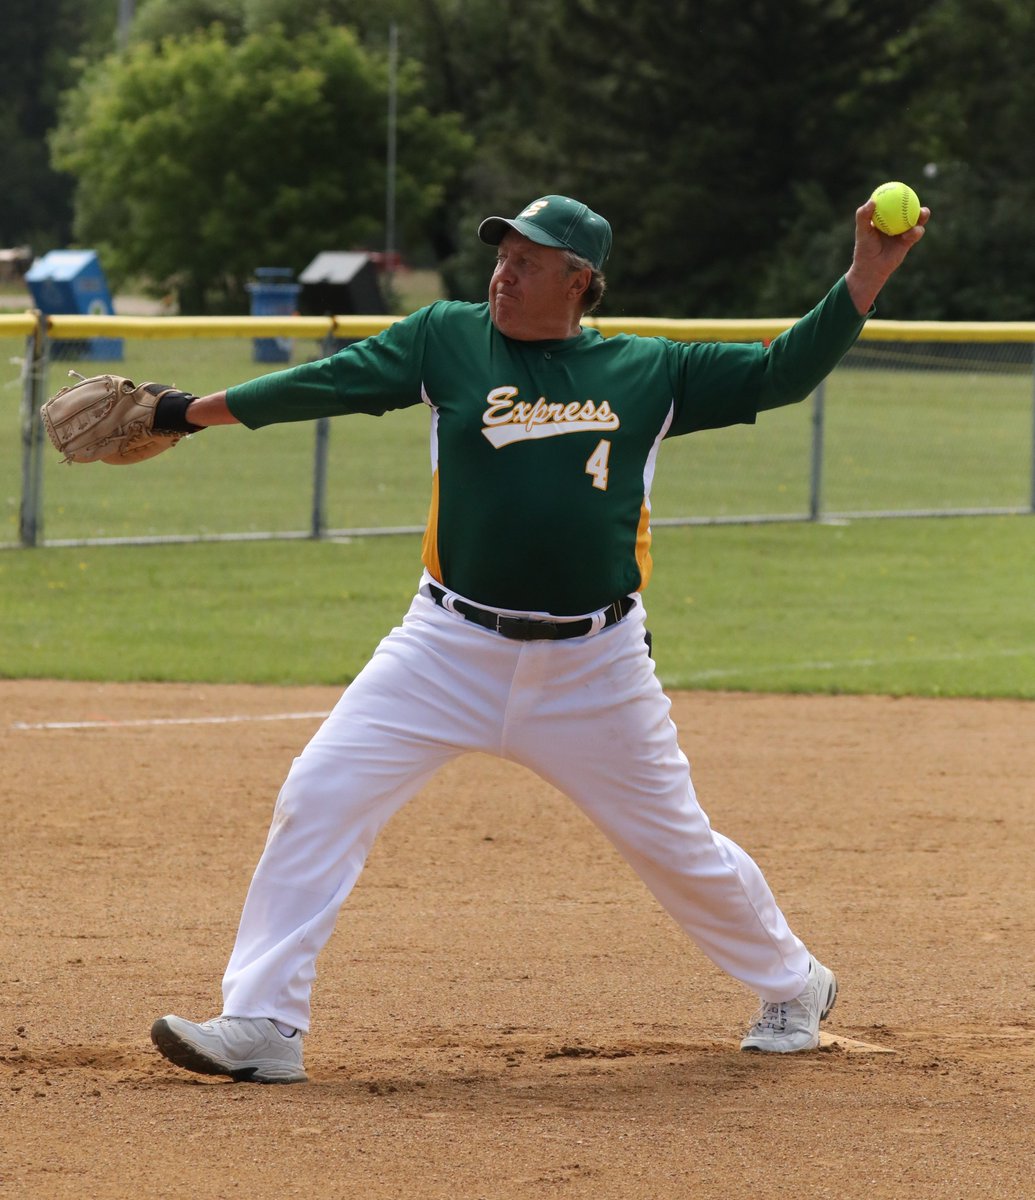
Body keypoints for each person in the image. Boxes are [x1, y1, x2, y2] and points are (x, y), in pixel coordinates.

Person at [149, 192, 928, 1083]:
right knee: (320, 790)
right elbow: (327, 382)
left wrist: (867, 273)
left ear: (579, 280)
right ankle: (262, 1024)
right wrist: (183, 413)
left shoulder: (649, 371)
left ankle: (794, 982)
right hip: (442, 648)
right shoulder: (447, 336)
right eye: (502, 255)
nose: (503, 274)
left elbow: (782, 373)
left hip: (593, 666)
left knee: (674, 844)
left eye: (527, 261)